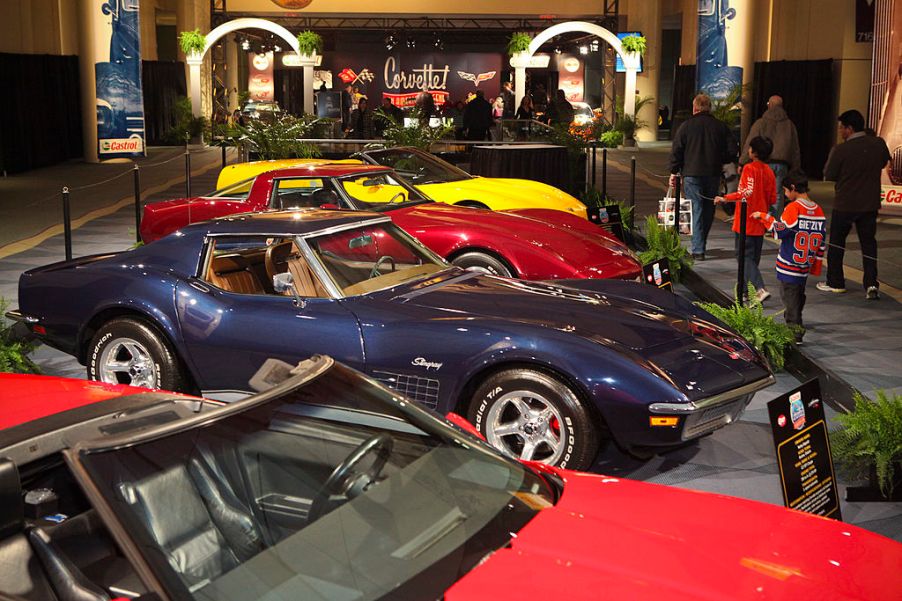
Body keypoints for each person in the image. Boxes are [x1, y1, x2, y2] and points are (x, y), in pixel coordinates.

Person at [818, 109, 891, 299]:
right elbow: (884, 162)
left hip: (845, 203)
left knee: (837, 243)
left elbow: (830, 174)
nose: (840, 132)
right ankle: (871, 283)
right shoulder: (878, 144)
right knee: (869, 244)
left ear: (849, 129)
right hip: (869, 203)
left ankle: (835, 282)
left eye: (842, 128)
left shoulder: (841, 150)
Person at [751, 171, 825, 344]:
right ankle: (794, 322)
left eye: (785, 190)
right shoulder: (819, 211)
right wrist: (816, 265)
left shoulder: (793, 208)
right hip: (805, 263)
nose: (784, 194)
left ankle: (795, 332)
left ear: (792, 188)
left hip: (789, 263)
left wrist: (764, 217)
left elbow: (780, 231)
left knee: (789, 297)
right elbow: (822, 241)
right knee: (799, 294)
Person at [669, 92, 738, 260]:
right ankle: (701, 243)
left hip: (692, 174)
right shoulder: (721, 127)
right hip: (713, 174)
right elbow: (732, 151)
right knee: (708, 210)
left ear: (694, 108)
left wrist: (674, 170)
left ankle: (698, 249)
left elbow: (677, 150)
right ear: (709, 108)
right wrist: (719, 159)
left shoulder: (685, 126)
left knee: (696, 209)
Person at [715, 136, 777, 302]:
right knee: (752, 257)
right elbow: (772, 199)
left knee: (743, 256)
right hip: (760, 221)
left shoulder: (749, 169)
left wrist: (725, 198)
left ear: (754, 152)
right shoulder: (769, 171)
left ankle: (759, 288)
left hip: (746, 220)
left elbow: (744, 193)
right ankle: (743, 291)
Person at [739, 95, 801, 217]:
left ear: (769, 105)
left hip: (764, 164)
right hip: (782, 165)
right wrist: (796, 168)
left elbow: (750, 143)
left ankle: (761, 219)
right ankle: (775, 223)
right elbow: (795, 149)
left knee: (761, 193)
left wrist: (742, 162)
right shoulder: (789, 125)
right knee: (778, 194)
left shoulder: (760, 123)